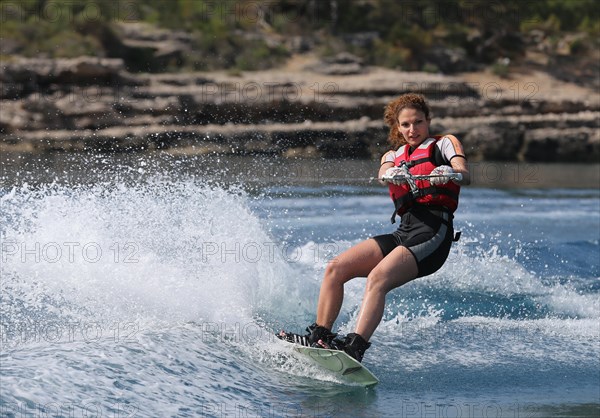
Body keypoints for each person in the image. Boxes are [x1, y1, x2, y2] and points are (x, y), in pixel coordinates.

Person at [278, 93, 471, 362]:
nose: (412, 130)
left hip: (434, 232)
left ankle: (354, 348)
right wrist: (390, 173)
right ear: (397, 126)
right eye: (405, 125)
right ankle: (319, 337)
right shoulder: (393, 155)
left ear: (428, 121)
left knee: (378, 278)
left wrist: (450, 172)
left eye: (418, 122)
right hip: (404, 231)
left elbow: (463, 171)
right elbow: (384, 171)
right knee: (336, 268)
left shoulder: (445, 144)